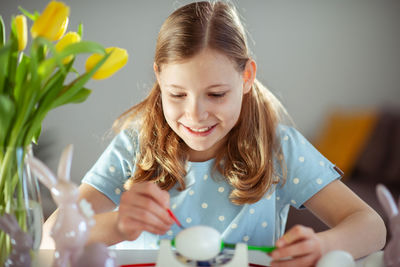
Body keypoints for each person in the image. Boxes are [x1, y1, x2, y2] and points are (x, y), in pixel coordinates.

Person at [42, 1, 386, 266]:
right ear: (159, 78)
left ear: (247, 77)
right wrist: (118, 225)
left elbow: (372, 226)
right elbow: (50, 237)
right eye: (177, 94)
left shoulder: (279, 148)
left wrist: (322, 246)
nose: (195, 114)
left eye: (216, 94)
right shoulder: (134, 146)